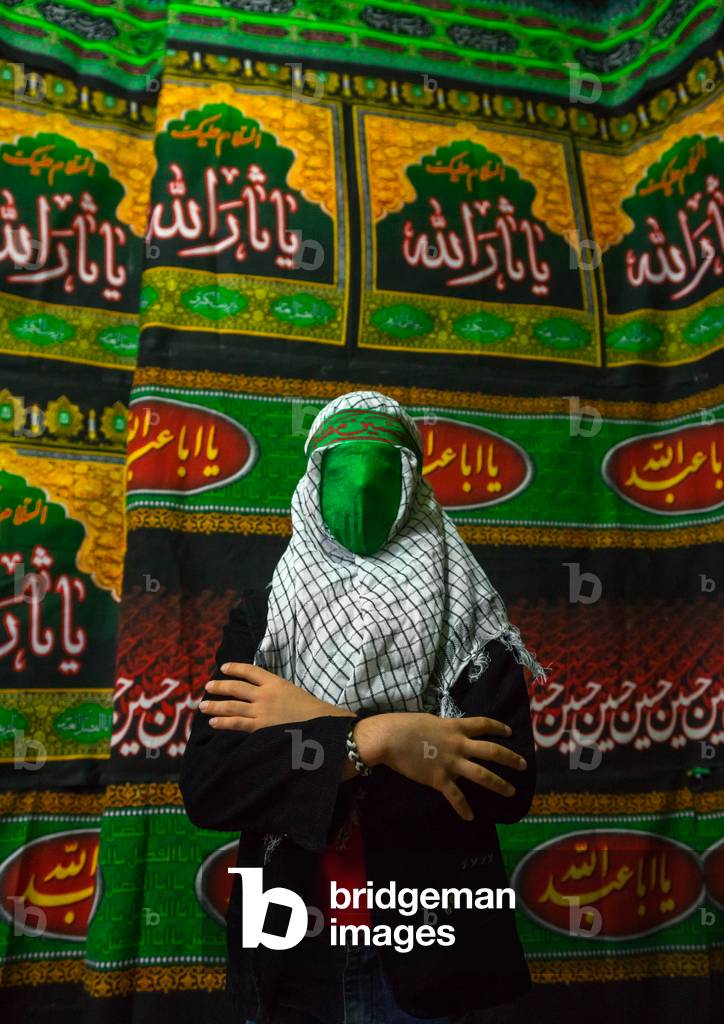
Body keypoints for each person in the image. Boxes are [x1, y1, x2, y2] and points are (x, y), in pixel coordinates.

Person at [179, 390, 549, 1024]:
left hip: (429, 953)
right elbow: (213, 784)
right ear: (312, 481)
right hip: (289, 953)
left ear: (412, 483)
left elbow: (501, 787)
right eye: (340, 469)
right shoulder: (266, 621)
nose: (359, 490)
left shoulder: (471, 619)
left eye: (381, 470)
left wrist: (306, 722)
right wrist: (379, 739)